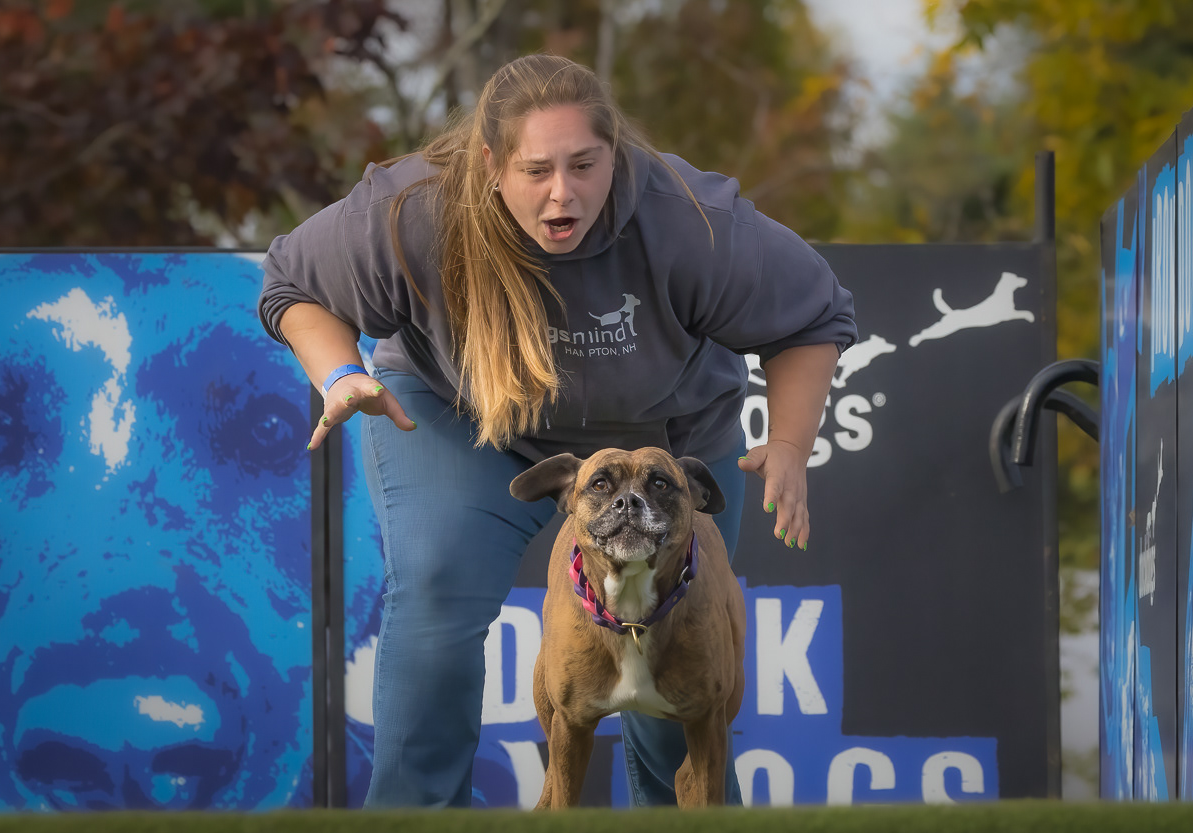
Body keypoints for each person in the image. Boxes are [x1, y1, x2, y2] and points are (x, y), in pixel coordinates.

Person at [259, 55, 853, 807]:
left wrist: (792, 446)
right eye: (536, 169)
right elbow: (292, 284)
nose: (562, 191)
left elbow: (815, 314)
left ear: (618, 155)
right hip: (460, 418)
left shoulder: (692, 218)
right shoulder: (414, 207)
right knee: (438, 585)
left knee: (680, 646)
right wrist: (340, 375)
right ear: (490, 163)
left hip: (662, 438)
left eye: (584, 164)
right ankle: (414, 816)